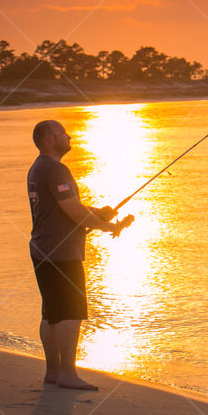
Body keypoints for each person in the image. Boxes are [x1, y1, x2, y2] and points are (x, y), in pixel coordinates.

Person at [27, 119, 128, 390]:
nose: (69, 136)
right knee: (71, 312)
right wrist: (109, 227)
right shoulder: (56, 170)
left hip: (42, 249)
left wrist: (98, 213)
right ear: (49, 138)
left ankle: (53, 372)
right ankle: (68, 374)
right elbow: (73, 212)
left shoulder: (38, 168)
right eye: (63, 133)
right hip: (61, 253)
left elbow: (68, 206)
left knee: (51, 314)